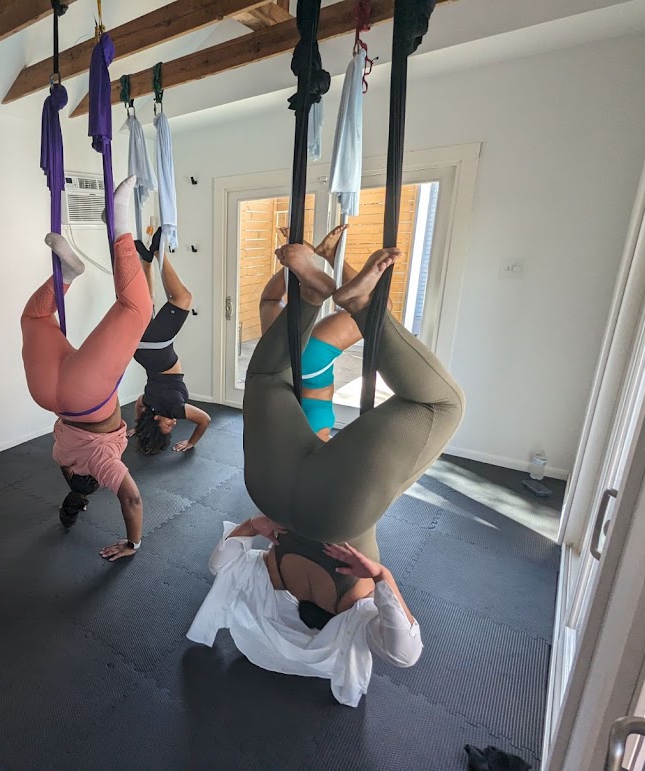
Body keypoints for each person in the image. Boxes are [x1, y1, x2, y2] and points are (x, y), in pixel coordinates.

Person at [188, 240, 464, 705]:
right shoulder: (269, 578)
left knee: (442, 405)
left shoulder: (353, 610)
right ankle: (314, 295)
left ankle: (360, 306)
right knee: (263, 379)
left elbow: (405, 651)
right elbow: (220, 563)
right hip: (271, 494)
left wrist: (379, 575)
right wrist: (255, 525)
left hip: (336, 512)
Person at [22, 176, 151, 562]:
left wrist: (133, 542)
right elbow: (69, 474)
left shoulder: (102, 465)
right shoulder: (63, 458)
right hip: (48, 395)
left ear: (94, 480)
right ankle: (66, 274)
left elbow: (132, 497)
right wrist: (77, 495)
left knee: (137, 310)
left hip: (86, 396)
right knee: (34, 317)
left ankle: (119, 225)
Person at [259, 224, 364, 441]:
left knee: (375, 311)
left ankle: (326, 257)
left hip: (310, 367)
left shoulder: (318, 440)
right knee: (269, 302)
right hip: (275, 361)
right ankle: (296, 262)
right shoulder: (278, 440)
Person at [129, 227, 212, 454]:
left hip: (157, 351)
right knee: (147, 306)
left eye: (166, 425)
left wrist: (192, 442)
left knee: (183, 298)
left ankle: (157, 253)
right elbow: (138, 403)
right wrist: (138, 425)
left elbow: (205, 420)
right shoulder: (149, 404)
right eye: (172, 427)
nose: (174, 423)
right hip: (140, 352)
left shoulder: (175, 409)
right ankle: (146, 261)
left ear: (156, 419)